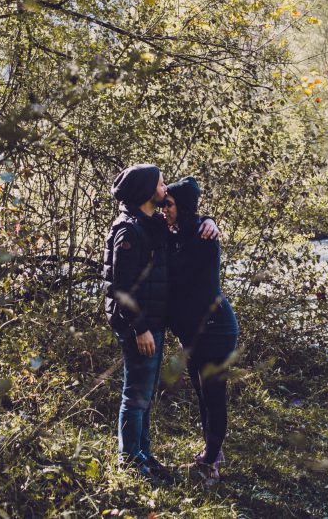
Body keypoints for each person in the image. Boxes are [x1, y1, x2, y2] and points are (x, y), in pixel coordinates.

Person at [102, 164, 218, 482]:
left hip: (152, 322)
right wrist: (139, 328)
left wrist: (209, 222)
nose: (165, 187)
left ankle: (143, 455)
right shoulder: (128, 230)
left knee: (145, 394)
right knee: (135, 395)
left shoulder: (149, 223)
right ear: (145, 190)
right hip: (138, 325)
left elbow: (184, 221)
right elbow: (118, 287)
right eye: (161, 182)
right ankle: (129, 462)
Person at [163, 176, 238, 487]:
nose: (163, 209)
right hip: (195, 333)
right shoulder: (181, 233)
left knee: (213, 394)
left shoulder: (202, 238)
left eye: (168, 204)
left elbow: (179, 278)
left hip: (215, 330)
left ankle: (210, 462)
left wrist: (209, 220)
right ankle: (212, 450)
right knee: (201, 393)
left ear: (182, 207)